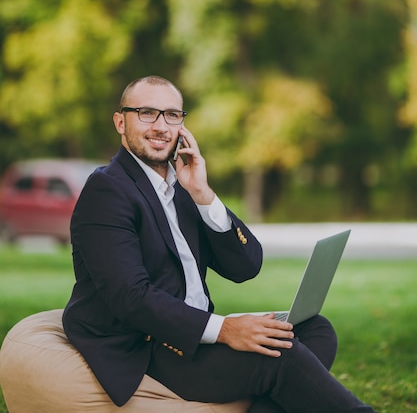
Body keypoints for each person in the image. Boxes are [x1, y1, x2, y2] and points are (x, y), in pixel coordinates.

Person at [63, 75, 377, 412]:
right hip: (148, 344)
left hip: (193, 332)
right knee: (280, 356)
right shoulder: (107, 190)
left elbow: (246, 266)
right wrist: (225, 330)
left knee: (315, 329)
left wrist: (203, 193)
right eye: (146, 113)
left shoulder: (183, 186)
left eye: (172, 115)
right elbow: (131, 298)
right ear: (120, 122)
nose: (160, 126)